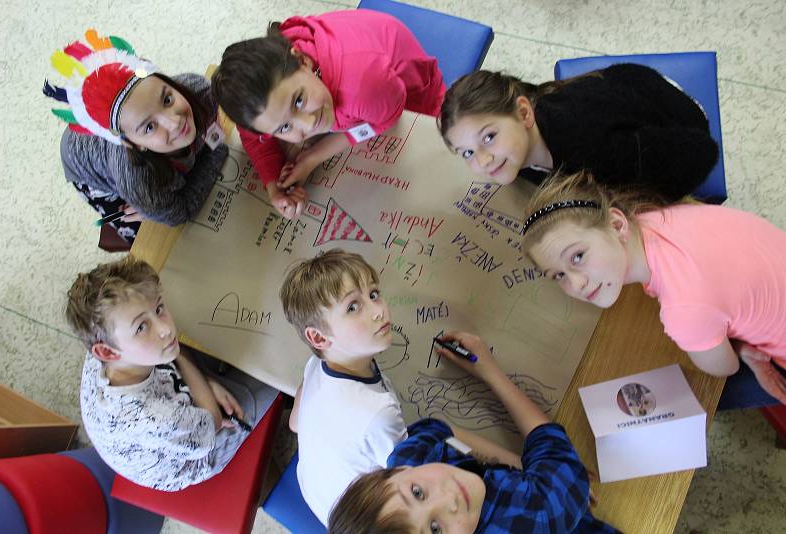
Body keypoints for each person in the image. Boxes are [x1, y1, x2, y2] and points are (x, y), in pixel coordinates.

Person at [521, 170, 786, 406]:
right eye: (558, 275)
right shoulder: (652, 217)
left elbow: (725, 368)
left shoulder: (683, 312)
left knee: (704, 394)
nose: (576, 284)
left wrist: (738, 348)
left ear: (617, 224)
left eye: (578, 257)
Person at [328, 331, 615, 533]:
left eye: (417, 492)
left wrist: (524, 468)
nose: (449, 500)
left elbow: (438, 431)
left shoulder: (410, 457)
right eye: (436, 530)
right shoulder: (538, 513)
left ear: (395, 471)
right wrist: (490, 372)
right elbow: (548, 443)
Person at [65, 256, 276, 490]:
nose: (166, 328)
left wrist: (200, 378)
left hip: (169, 389)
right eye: (141, 327)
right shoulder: (155, 418)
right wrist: (186, 363)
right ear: (107, 352)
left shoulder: (109, 342)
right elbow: (213, 421)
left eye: (159, 308)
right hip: (196, 453)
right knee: (271, 375)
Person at [211, 9, 445, 219]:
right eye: (284, 128)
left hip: (409, 92)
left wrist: (313, 156)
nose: (309, 122)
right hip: (366, 72)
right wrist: (273, 188)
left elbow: (386, 119)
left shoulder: (365, 87)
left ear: (302, 60)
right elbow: (254, 138)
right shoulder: (265, 101)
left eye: (299, 101)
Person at [44, 29, 228, 244]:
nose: (174, 121)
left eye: (167, 99)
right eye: (149, 127)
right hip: (86, 168)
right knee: (135, 226)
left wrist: (161, 204)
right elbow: (180, 213)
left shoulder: (199, 90)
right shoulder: (135, 179)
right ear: (133, 144)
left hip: (138, 170)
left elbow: (214, 138)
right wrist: (152, 207)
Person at [438, 66, 718, 202]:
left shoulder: (595, 150)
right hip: (616, 93)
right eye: (467, 153)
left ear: (524, 113)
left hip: (682, 117)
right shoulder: (516, 151)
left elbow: (702, 151)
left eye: (488, 137)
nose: (484, 160)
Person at [279, 248, 408, 525]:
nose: (378, 310)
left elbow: (294, 424)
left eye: (373, 294)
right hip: (364, 522)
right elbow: (412, 480)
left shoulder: (315, 366)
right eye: (353, 307)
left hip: (316, 494)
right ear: (319, 337)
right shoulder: (379, 414)